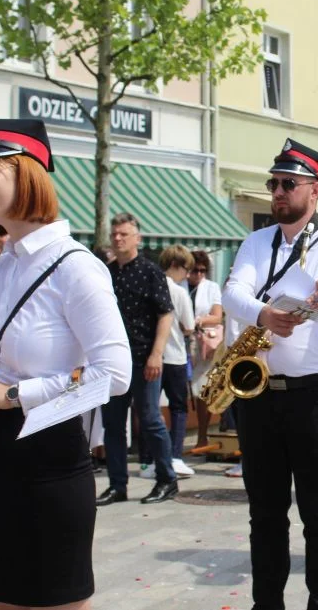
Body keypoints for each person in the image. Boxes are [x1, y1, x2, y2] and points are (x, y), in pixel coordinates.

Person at [0, 118, 132, 608]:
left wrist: (15, 394)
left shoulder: (75, 266)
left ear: (28, 174)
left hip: (47, 462)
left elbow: (115, 374)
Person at [222, 138, 318, 610]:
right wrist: (263, 315)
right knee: (264, 515)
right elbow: (233, 294)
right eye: (273, 183)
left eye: (288, 184)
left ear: (315, 191)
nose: (277, 192)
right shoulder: (255, 242)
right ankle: (266, 604)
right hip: (262, 393)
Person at [97, 212, 179, 506]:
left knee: (151, 420)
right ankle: (118, 485)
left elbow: (165, 314)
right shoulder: (105, 272)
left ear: (137, 238)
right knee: (113, 425)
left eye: (124, 234)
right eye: (115, 234)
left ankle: (167, 479)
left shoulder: (150, 271)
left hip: (144, 359)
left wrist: (157, 354)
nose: (118, 238)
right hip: (112, 362)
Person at [158, 245, 197, 478]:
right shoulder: (179, 292)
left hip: (152, 355)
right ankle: (174, 455)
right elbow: (189, 326)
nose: (188, 274)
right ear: (175, 265)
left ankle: (149, 458)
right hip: (174, 356)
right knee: (178, 408)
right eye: (186, 269)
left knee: (150, 410)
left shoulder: (152, 285)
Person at [184, 250, 223, 448]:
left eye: (202, 270)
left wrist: (199, 320)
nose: (199, 274)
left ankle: (202, 434)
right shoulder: (179, 285)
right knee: (182, 390)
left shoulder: (212, 287)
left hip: (203, 344)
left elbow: (217, 316)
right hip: (181, 342)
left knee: (202, 389)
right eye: (195, 270)